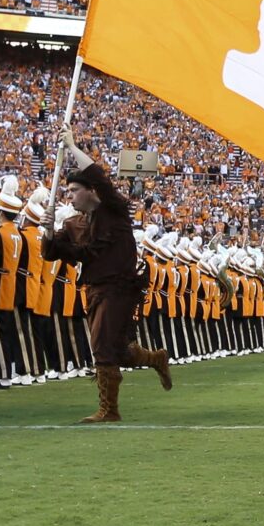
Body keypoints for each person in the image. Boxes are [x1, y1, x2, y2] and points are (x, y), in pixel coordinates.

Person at [40, 129, 171, 424]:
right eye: (68, 191)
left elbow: (98, 175)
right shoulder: (73, 223)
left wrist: (72, 146)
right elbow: (49, 253)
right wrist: (47, 230)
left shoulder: (113, 210)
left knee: (100, 346)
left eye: (74, 190)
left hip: (119, 288)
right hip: (94, 289)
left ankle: (108, 410)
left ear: (90, 192)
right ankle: (155, 358)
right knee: (117, 351)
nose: (70, 196)